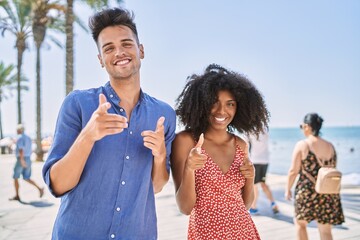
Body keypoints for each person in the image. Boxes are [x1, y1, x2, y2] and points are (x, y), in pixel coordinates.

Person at [42, 7, 176, 240]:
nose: (119, 52)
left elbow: (156, 186)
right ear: (101, 60)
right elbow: (58, 185)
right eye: (109, 48)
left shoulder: (163, 114)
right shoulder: (78, 103)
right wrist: (88, 135)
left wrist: (161, 156)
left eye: (126, 44)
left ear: (140, 50)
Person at [171, 64, 270, 239]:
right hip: (206, 234)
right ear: (202, 104)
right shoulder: (185, 141)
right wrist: (189, 168)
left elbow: (245, 204)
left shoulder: (241, 144)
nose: (222, 111)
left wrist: (250, 177)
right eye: (214, 103)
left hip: (243, 232)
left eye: (230, 104)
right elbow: (185, 208)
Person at [285, 113, 344, 240]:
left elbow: (293, 171)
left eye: (302, 126)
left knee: (300, 224)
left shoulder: (303, 145)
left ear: (307, 126)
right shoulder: (330, 146)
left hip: (307, 192)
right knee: (326, 231)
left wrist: (287, 189)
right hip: (327, 192)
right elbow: (332, 169)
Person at [10, 124, 44, 201]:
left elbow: (21, 150)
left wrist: (22, 160)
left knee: (15, 177)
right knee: (26, 177)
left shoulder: (19, 138)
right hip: (28, 159)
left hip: (21, 159)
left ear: (19, 130)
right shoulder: (28, 138)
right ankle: (39, 189)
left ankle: (17, 195)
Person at [248, 132, 279, 215]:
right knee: (263, 183)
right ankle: (273, 203)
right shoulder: (264, 128)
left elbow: (244, 144)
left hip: (255, 160)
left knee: (254, 185)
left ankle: (253, 208)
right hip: (265, 160)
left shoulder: (250, 130)